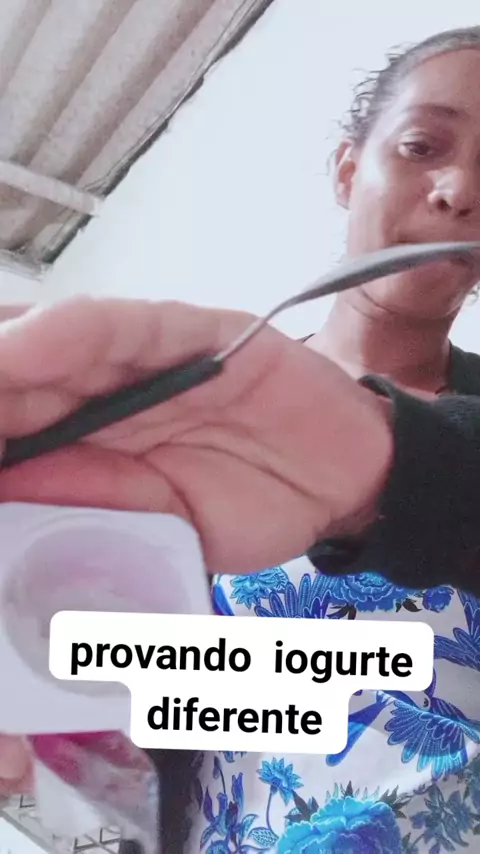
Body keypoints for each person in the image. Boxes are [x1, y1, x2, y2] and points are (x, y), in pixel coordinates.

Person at [0, 24, 480, 854]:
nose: (461, 189)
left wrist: (392, 463)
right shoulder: (183, 425)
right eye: (421, 145)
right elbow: (148, 710)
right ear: (347, 170)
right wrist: (51, 690)